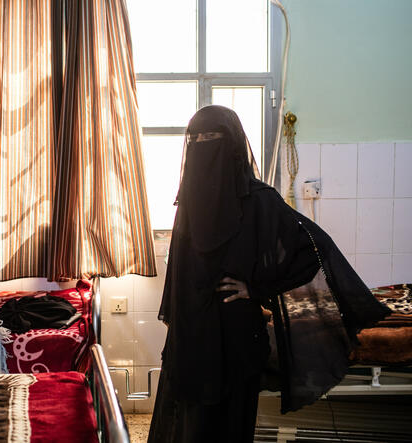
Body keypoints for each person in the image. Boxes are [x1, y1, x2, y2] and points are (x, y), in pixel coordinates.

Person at [147, 105, 390, 442]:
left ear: (231, 143)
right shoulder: (189, 200)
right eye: (196, 138)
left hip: (235, 331)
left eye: (212, 136)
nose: (203, 144)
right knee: (187, 421)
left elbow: (315, 249)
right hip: (191, 331)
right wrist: (175, 314)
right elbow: (179, 266)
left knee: (229, 423)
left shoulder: (259, 199)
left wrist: (258, 286)